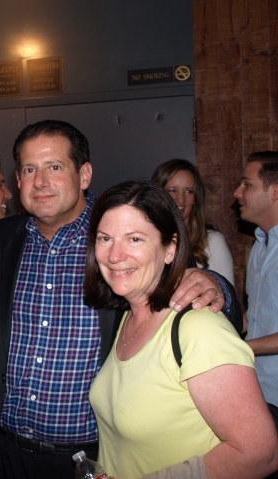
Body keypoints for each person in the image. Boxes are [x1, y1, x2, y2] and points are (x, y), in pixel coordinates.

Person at [0, 120, 240, 479]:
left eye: (54, 167)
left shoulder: (118, 238)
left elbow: (192, 281)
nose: (40, 181)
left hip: (92, 459)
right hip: (3, 453)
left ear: (84, 174)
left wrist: (214, 283)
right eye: (29, 169)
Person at [85, 179, 278, 479]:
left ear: (170, 249)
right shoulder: (126, 317)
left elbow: (260, 454)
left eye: (134, 239)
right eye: (105, 238)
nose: (114, 255)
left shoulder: (198, 328)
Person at [234, 151, 278, 427]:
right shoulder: (259, 246)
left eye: (247, 184)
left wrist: (238, 348)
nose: (237, 192)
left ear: (275, 191)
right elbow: (254, 315)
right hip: (257, 388)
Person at [152, 159, 234, 285]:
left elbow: (228, 296)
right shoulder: (142, 238)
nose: (181, 199)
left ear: (196, 198)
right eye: (173, 190)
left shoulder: (212, 241)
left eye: (188, 191)